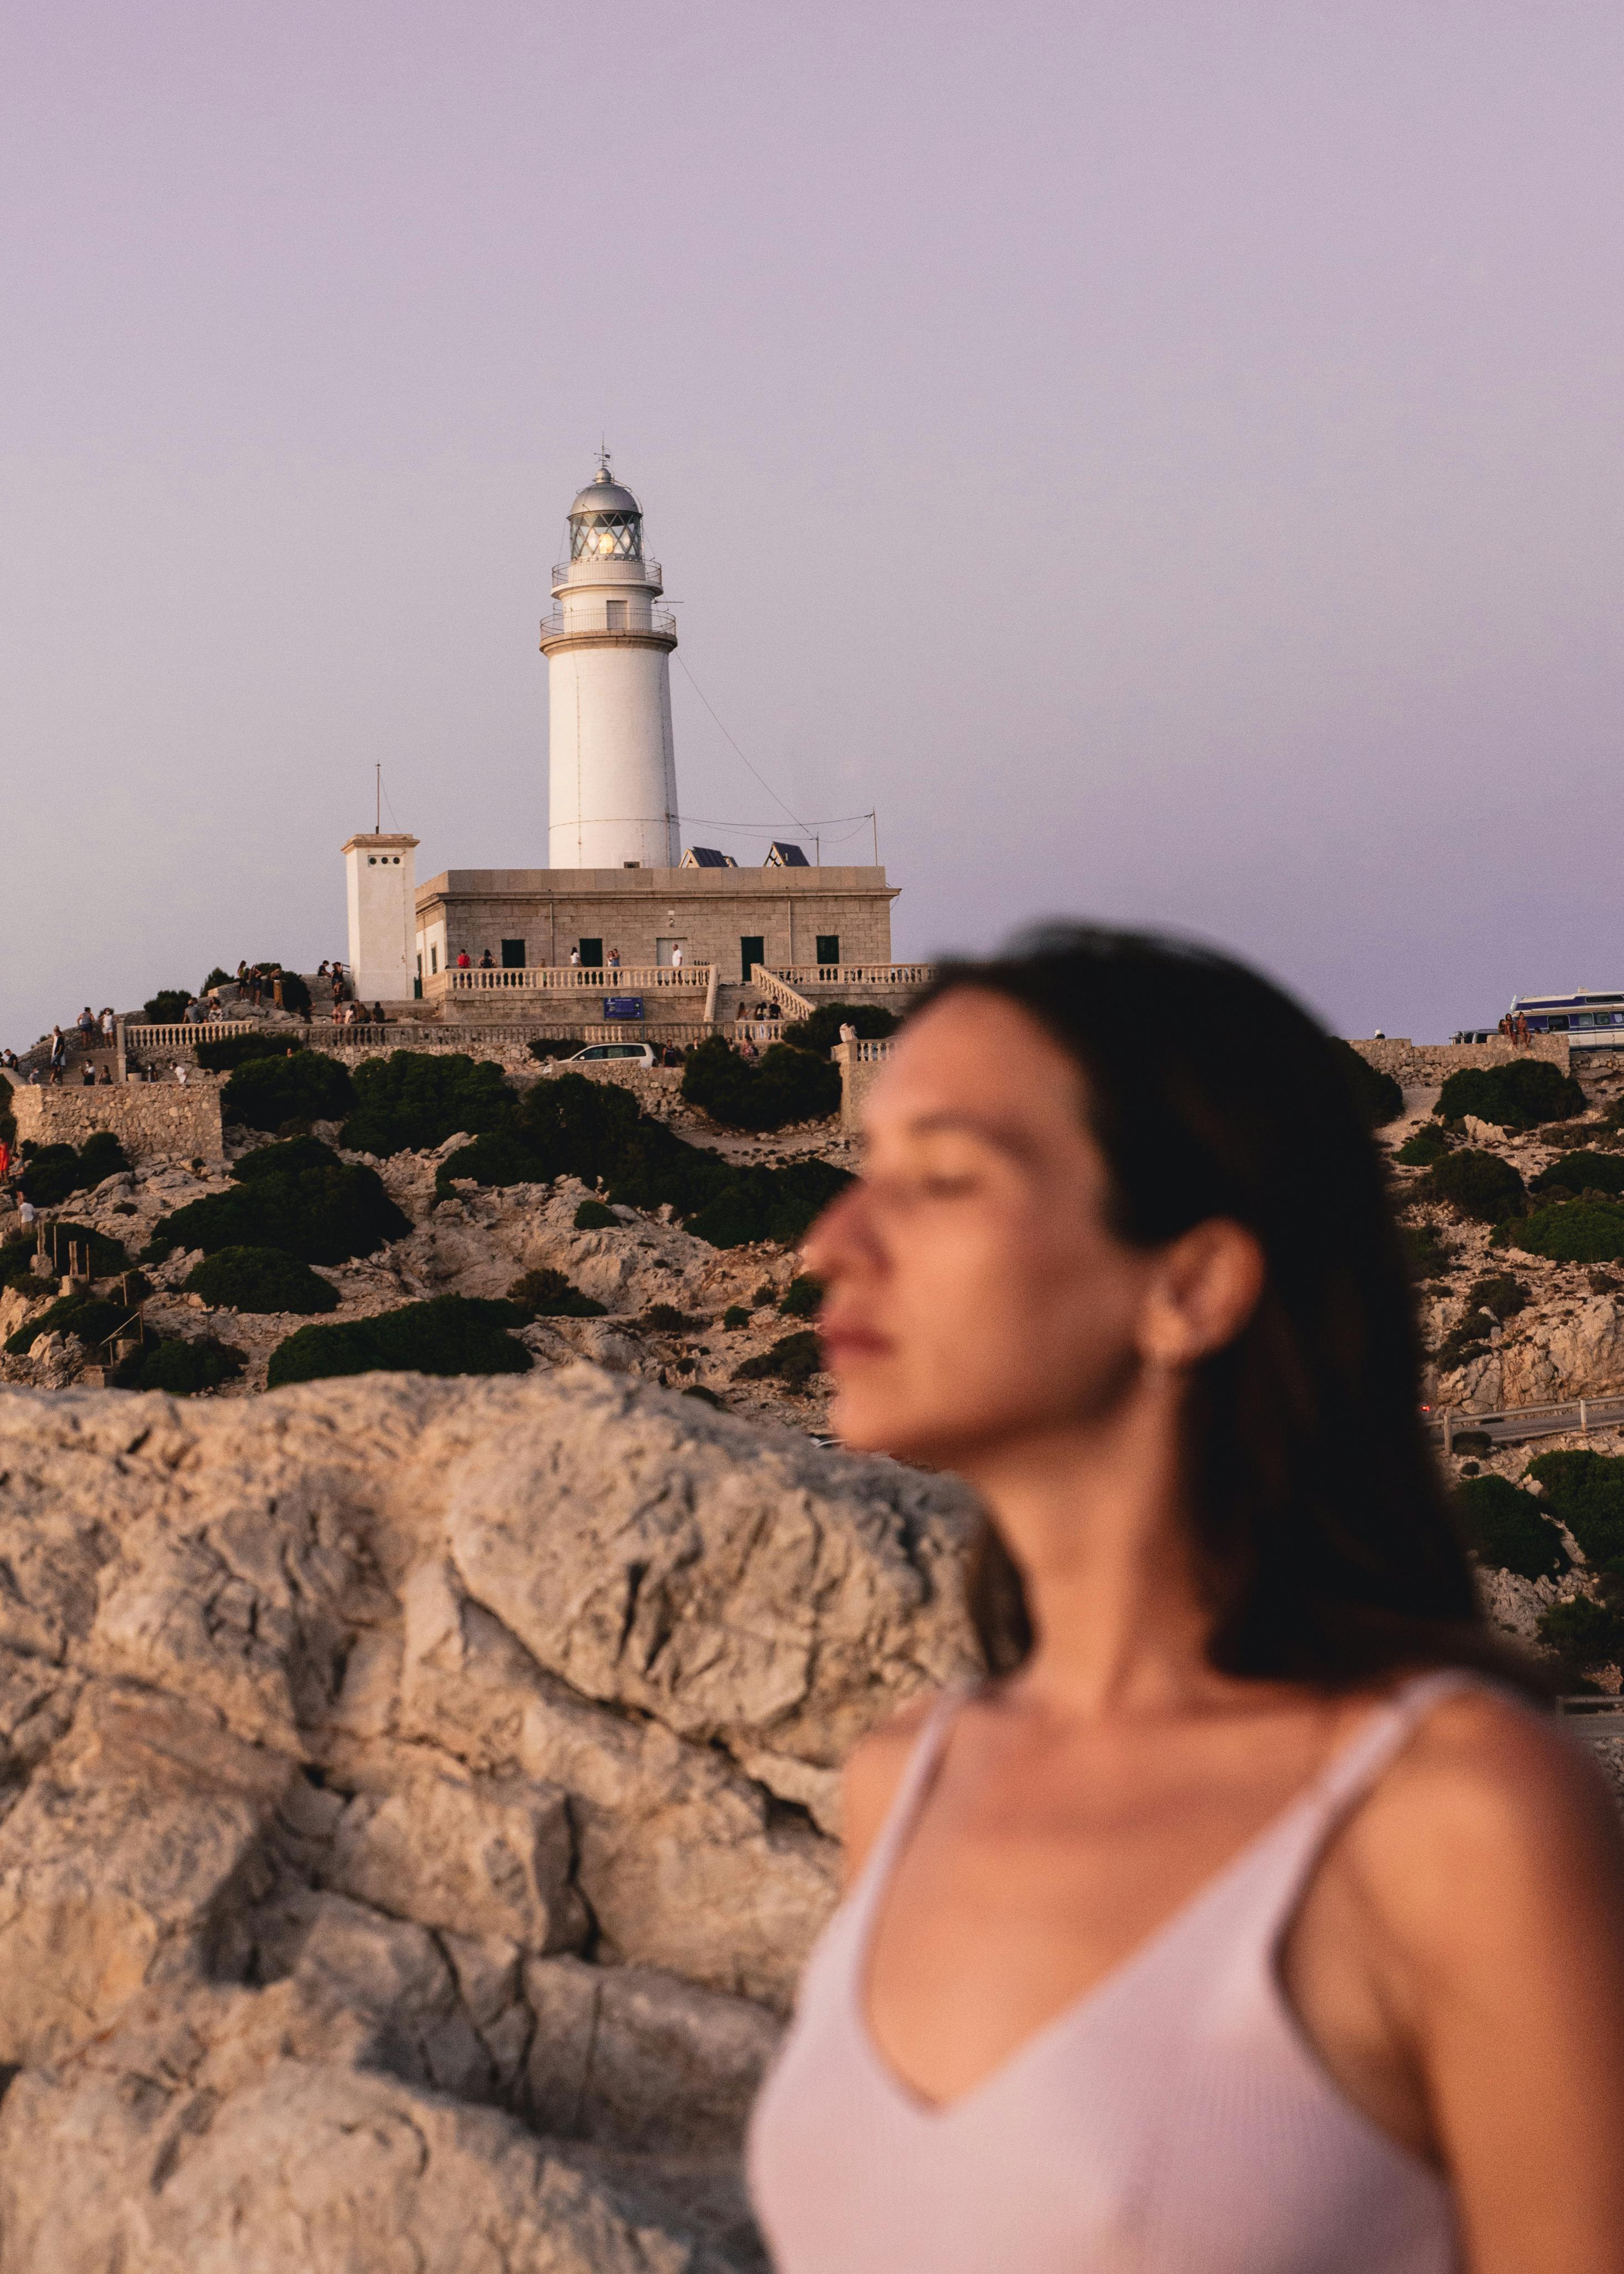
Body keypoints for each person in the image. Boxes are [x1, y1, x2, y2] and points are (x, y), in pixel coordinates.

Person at [748, 924, 1624, 2273]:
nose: (830, 1243)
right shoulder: (905, 1778)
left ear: (1190, 1282)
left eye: (943, 1178)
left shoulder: (1449, 1818)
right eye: (865, 1169)